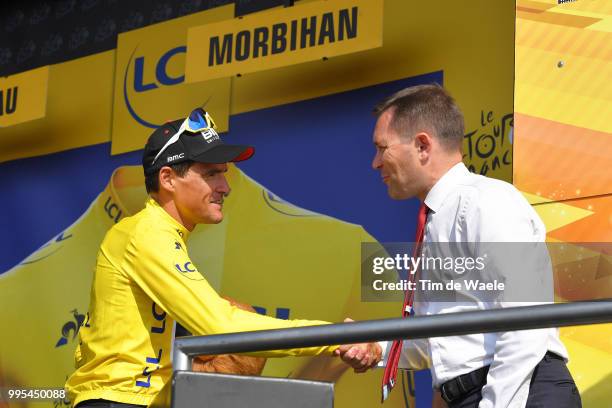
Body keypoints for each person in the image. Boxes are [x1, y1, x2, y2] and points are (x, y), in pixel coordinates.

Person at [65, 108, 381, 408]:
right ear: (168, 179)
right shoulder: (147, 233)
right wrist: (334, 337)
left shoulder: (157, 234)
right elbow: (220, 326)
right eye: (211, 174)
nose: (225, 187)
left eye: (224, 174)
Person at [337, 85, 581, 407]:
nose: (375, 163)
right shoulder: (438, 219)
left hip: (520, 393)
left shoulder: (487, 200)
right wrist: (378, 347)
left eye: (382, 148)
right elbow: (444, 341)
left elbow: (525, 321)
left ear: (422, 145)